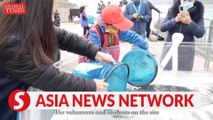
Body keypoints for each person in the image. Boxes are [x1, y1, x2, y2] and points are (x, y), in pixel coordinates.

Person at [0, 0, 115, 119]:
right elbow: (47, 77)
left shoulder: (22, 20)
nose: (52, 20)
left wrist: (95, 52)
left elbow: (65, 38)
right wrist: (91, 86)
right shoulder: (11, 45)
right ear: (36, 12)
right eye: (50, 14)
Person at [80, 5, 149, 62]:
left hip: (109, 66)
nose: (119, 29)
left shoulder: (116, 30)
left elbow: (132, 36)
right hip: (94, 70)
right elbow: (94, 57)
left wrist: (144, 46)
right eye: (116, 26)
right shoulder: (95, 34)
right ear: (105, 24)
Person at [160, 0, 205, 71]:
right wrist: (175, 20)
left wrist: (190, 22)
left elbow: (200, 33)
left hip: (186, 54)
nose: (187, 2)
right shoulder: (172, 10)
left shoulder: (198, 13)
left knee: (183, 79)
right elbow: (162, 28)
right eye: (184, 0)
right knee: (165, 76)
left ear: (194, 1)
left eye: (190, 0)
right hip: (169, 51)